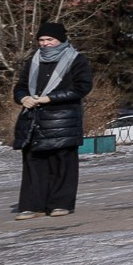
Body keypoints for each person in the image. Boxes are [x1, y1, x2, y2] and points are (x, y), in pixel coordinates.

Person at [12, 21, 93, 218]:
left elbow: (81, 87)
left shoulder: (76, 60)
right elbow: (20, 85)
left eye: (50, 39)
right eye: (41, 39)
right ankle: (32, 205)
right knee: (34, 163)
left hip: (62, 121)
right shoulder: (33, 61)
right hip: (34, 121)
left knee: (62, 163)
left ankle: (61, 203)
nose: (45, 43)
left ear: (61, 40)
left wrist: (51, 98)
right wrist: (23, 97)